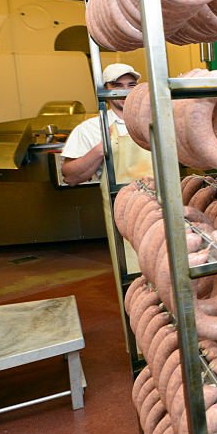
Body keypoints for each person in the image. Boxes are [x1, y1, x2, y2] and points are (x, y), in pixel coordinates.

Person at [62, 62, 152, 276]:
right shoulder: (91, 128)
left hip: (162, 206)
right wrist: (100, 149)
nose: (124, 90)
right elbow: (70, 176)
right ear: (105, 90)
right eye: (117, 85)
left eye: (131, 85)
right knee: (135, 273)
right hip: (125, 213)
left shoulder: (153, 121)